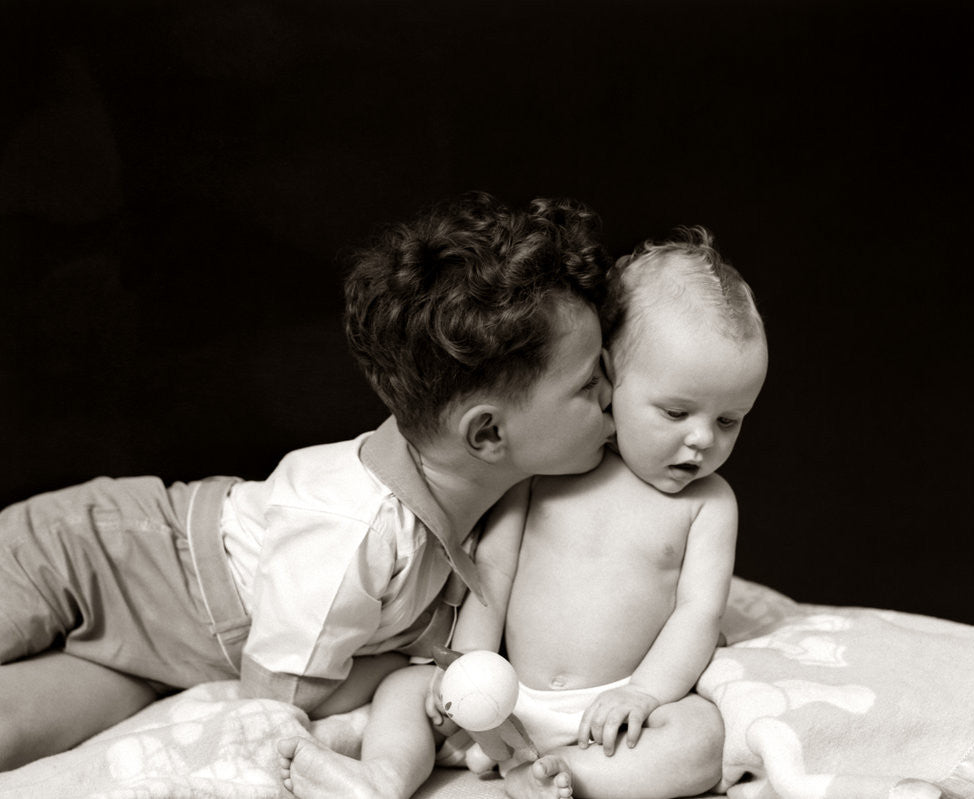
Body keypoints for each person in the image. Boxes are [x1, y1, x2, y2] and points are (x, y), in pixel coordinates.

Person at [0, 191, 616, 772]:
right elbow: (281, 693)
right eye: (590, 383)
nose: (615, 394)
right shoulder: (354, 529)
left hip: (164, 643)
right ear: (486, 434)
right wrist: (401, 666)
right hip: (88, 551)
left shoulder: (488, 490)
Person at [278, 225, 768, 799]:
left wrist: (645, 694)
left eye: (729, 421)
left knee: (702, 737)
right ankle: (382, 777)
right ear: (609, 377)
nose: (702, 440)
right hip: (504, 694)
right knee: (404, 689)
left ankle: (561, 779)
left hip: (613, 711)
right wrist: (465, 666)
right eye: (676, 412)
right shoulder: (549, 470)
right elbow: (493, 573)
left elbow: (698, 613)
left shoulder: (709, 504)